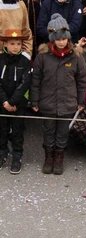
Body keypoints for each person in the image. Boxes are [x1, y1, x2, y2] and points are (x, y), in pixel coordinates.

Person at [31, 14, 86, 175]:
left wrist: (81, 100)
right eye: (58, 39)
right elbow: (36, 79)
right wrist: (34, 100)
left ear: (68, 38)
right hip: (47, 101)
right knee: (48, 130)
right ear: (52, 39)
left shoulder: (76, 56)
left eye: (64, 38)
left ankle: (59, 157)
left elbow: (82, 79)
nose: (61, 42)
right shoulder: (42, 56)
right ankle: (48, 156)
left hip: (68, 102)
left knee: (63, 131)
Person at [0, 29, 32, 174]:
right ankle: (2, 153)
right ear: (5, 43)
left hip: (18, 104)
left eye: (18, 44)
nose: (15, 47)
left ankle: (17, 156)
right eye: (12, 43)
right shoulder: (0, 60)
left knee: (17, 131)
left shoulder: (25, 61)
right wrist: (5, 101)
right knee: (2, 130)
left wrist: (12, 102)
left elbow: (25, 83)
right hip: (2, 103)